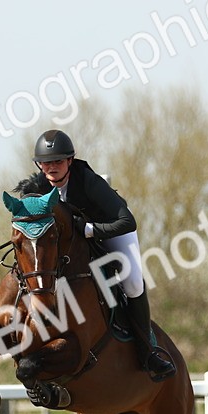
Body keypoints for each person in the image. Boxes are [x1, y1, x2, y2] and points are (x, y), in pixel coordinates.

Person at [28, 129, 176, 381]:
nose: (52, 167)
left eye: (58, 161)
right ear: (39, 165)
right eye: (46, 162)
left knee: (131, 283)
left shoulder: (88, 182)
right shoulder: (39, 187)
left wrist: (89, 230)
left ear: (70, 161)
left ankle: (147, 352)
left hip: (111, 231)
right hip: (75, 243)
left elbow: (128, 222)